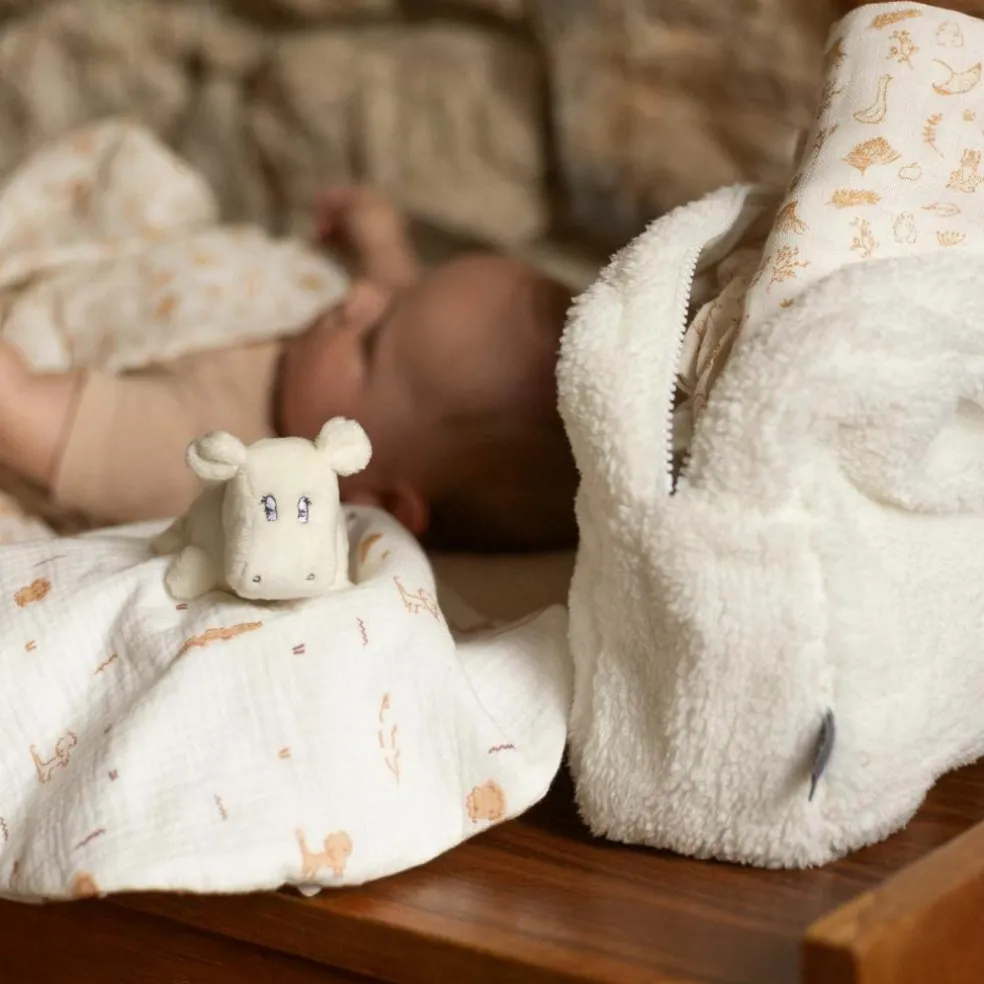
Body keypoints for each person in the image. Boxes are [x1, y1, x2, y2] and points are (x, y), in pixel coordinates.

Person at [0, 187, 579, 553]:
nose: (359, 298)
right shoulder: (389, 393)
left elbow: (19, 410)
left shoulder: (216, 460)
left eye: (369, 343)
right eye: (403, 293)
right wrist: (380, 240)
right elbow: (399, 299)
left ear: (376, 500)